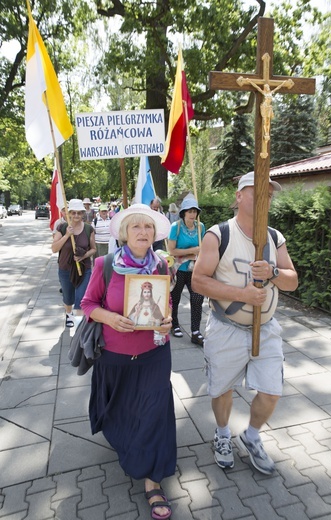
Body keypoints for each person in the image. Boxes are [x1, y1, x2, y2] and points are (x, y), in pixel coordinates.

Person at [191, 171, 298, 475]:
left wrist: (273, 274)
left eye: (270, 193)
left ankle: (251, 435)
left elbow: (292, 281)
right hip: (226, 328)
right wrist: (242, 294)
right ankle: (223, 434)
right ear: (239, 196)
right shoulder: (218, 234)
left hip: (266, 330)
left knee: (272, 391)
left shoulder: (275, 237)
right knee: (221, 389)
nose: (266, 197)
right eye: (257, 191)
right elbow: (198, 281)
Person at [81, 203, 175, 520]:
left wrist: (166, 321)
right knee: (121, 411)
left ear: (154, 234)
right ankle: (126, 441)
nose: (142, 232)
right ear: (124, 232)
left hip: (154, 355)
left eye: (148, 227)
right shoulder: (105, 265)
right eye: (136, 227)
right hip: (115, 356)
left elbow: (168, 305)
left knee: (153, 412)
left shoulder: (161, 265)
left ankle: (152, 480)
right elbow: (88, 303)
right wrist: (109, 317)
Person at [52, 199, 97, 328]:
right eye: (74, 213)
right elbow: (54, 248)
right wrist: (67, 235)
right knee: (68, 297)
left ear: (83, 213)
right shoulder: (62, 227)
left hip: (84, 269)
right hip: (65, 268)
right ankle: (68, 313)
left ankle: (79, 326)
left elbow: (93, 249)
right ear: (69, 213)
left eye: (79, 213)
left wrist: (84, 255)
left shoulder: (89, 229)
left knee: (81, 298)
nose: (76, 216)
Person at [167, 196, 205, 346]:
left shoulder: (201, 227)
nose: (192, 214)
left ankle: (195, 331)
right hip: (178, 269)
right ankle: (174, 325)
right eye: (189, 211)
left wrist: (196, 253)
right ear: (183, 213)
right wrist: (193, 251)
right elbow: (171, 250)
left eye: (194, 211)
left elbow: (203, 249)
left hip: (195, 269)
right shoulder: (175, 227)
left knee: (197, 299)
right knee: (174, 299)